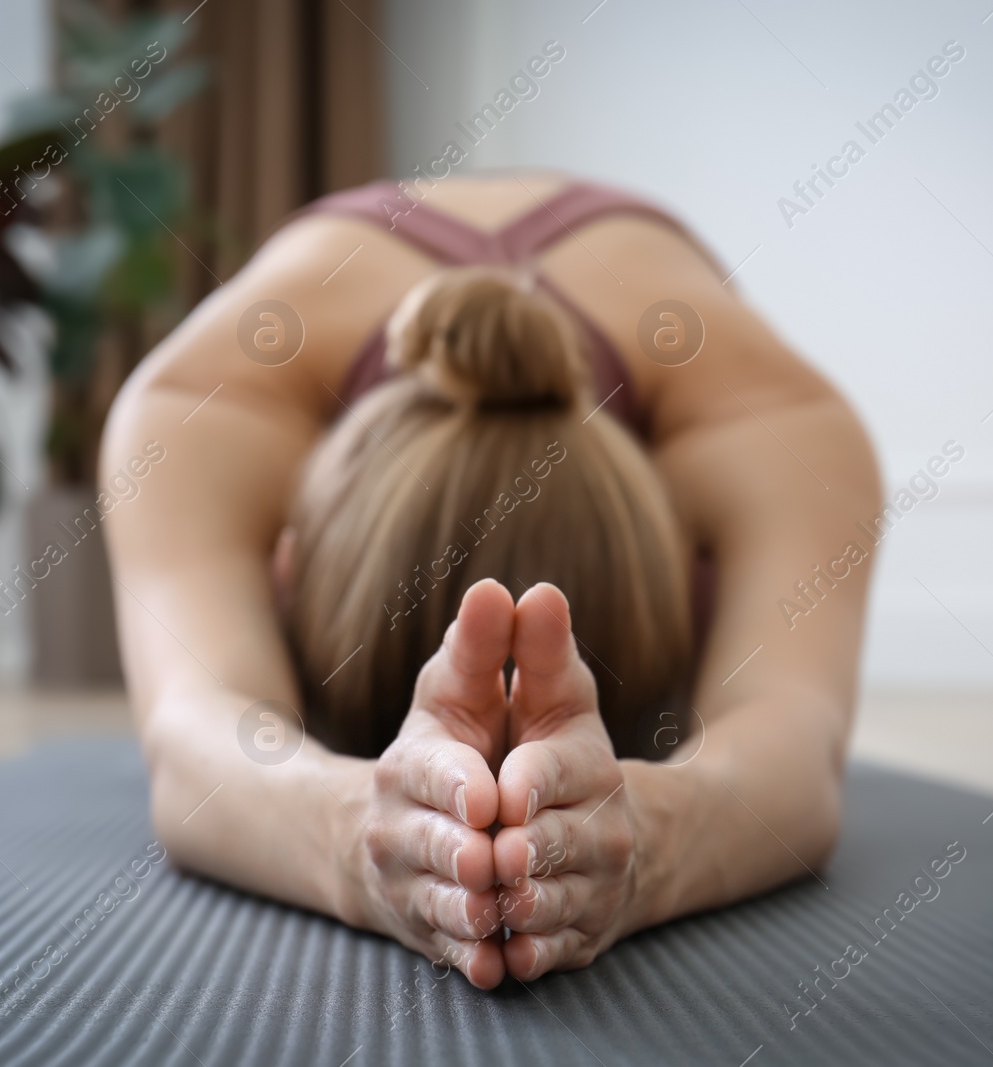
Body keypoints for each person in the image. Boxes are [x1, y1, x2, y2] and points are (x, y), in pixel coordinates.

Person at [101, 171, 881, 989]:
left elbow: (797, 749)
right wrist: (367, 839)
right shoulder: (194, 405)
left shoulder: (778, 419)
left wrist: (638, 844)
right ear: (284, 575)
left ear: (280, 573)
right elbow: (193, 742)